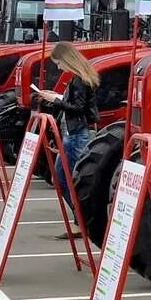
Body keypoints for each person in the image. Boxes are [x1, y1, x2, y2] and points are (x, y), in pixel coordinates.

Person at [32, 41, 99, 240]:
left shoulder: (78, 80)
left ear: (66, 60)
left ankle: (83, 220)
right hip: (75, 133)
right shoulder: (82, 78)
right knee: (66, 178)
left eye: (58, 63)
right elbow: (80, 104)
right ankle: (81, 220)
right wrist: (58, 96)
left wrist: (56, 100)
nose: (58, 67)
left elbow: (77, 108)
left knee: (66, 179)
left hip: (76, 135)